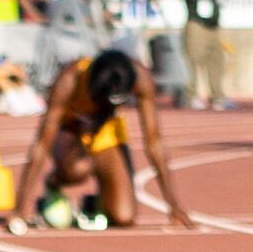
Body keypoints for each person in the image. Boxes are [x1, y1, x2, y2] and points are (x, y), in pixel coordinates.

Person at [11, 48, 194, 231]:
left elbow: (154, 142)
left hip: (107, 134)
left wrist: (174, 206)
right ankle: (53, 184)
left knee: (123, 217)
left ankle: (94, 202)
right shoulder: (69, 79)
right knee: (78, 169)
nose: (108, 106)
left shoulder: (141, 78)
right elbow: (42, 144)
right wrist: (19, 209)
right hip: (71, 128)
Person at [160, 0, 230, 111]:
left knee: (216, 60)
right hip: (197, 26)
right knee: (193, 61)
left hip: (212, 27)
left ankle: (217, 96)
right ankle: (192, 95)